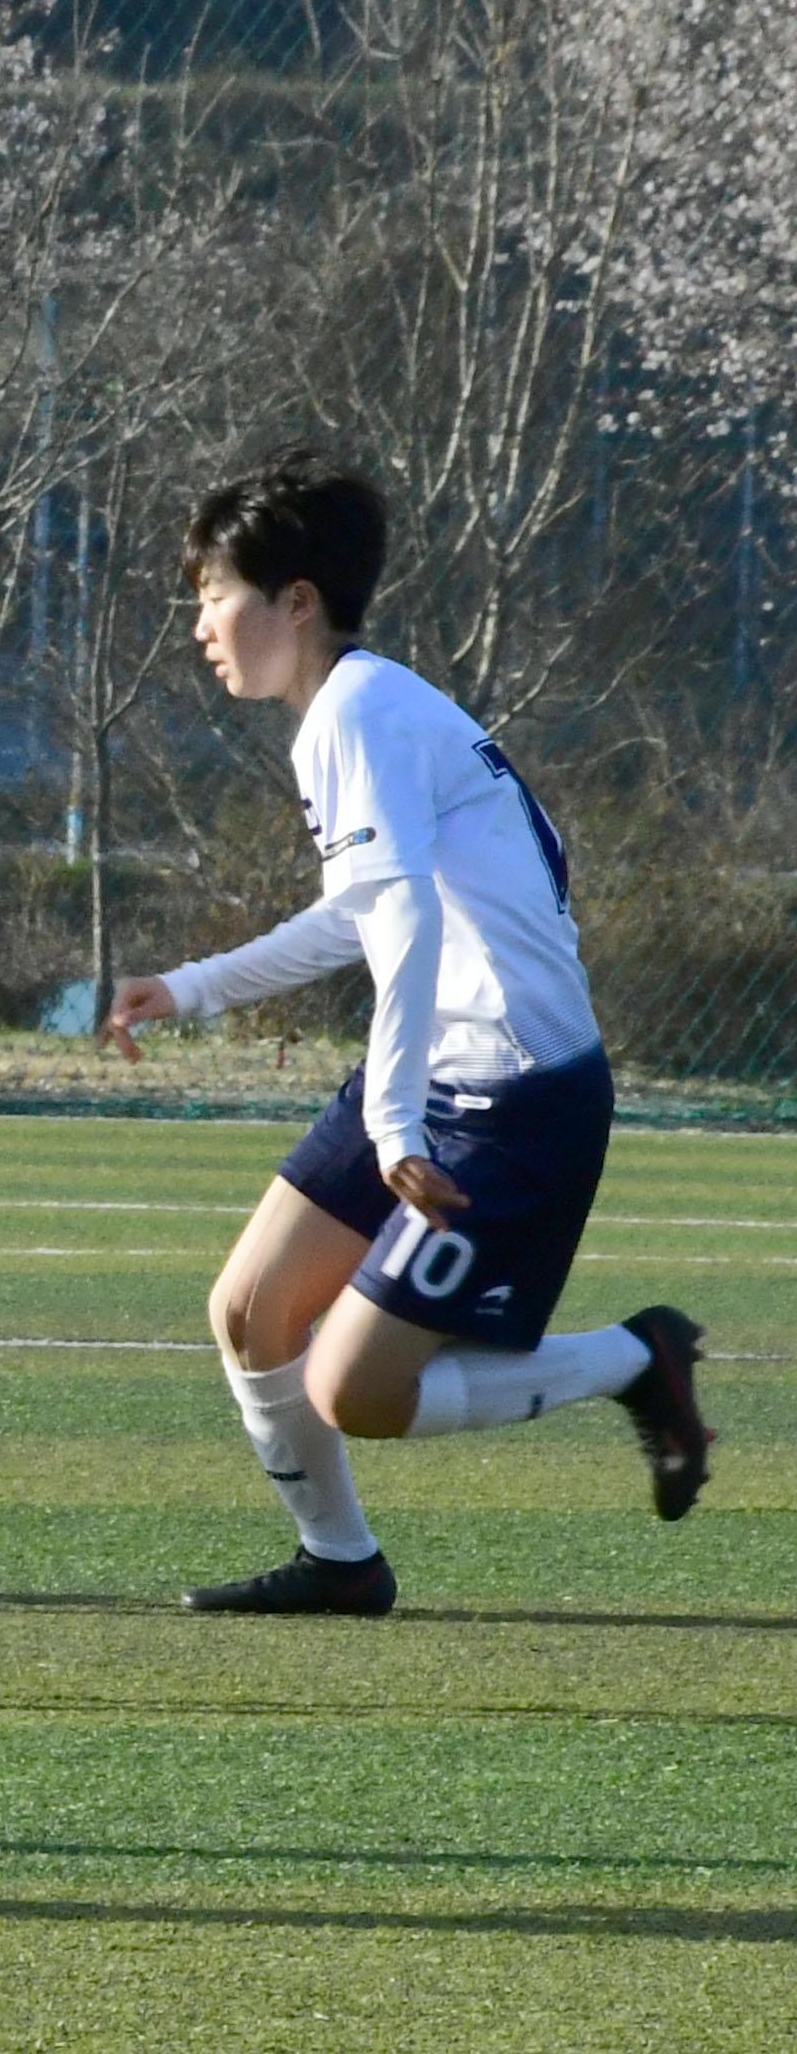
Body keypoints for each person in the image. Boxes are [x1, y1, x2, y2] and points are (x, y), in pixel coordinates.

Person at [100, 448, 709, 1615]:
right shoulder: (359, 703)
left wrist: (388, 1121)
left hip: (513, 1096)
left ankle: (639, 1355)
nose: (199, 627)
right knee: (248, 1307)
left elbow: (409, 915)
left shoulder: (360, 708)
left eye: (212, 595)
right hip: (442, 1071)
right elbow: (372, 910)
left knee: (357, 1390)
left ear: (296, 600)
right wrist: (194, 987)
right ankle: (340, 1562)